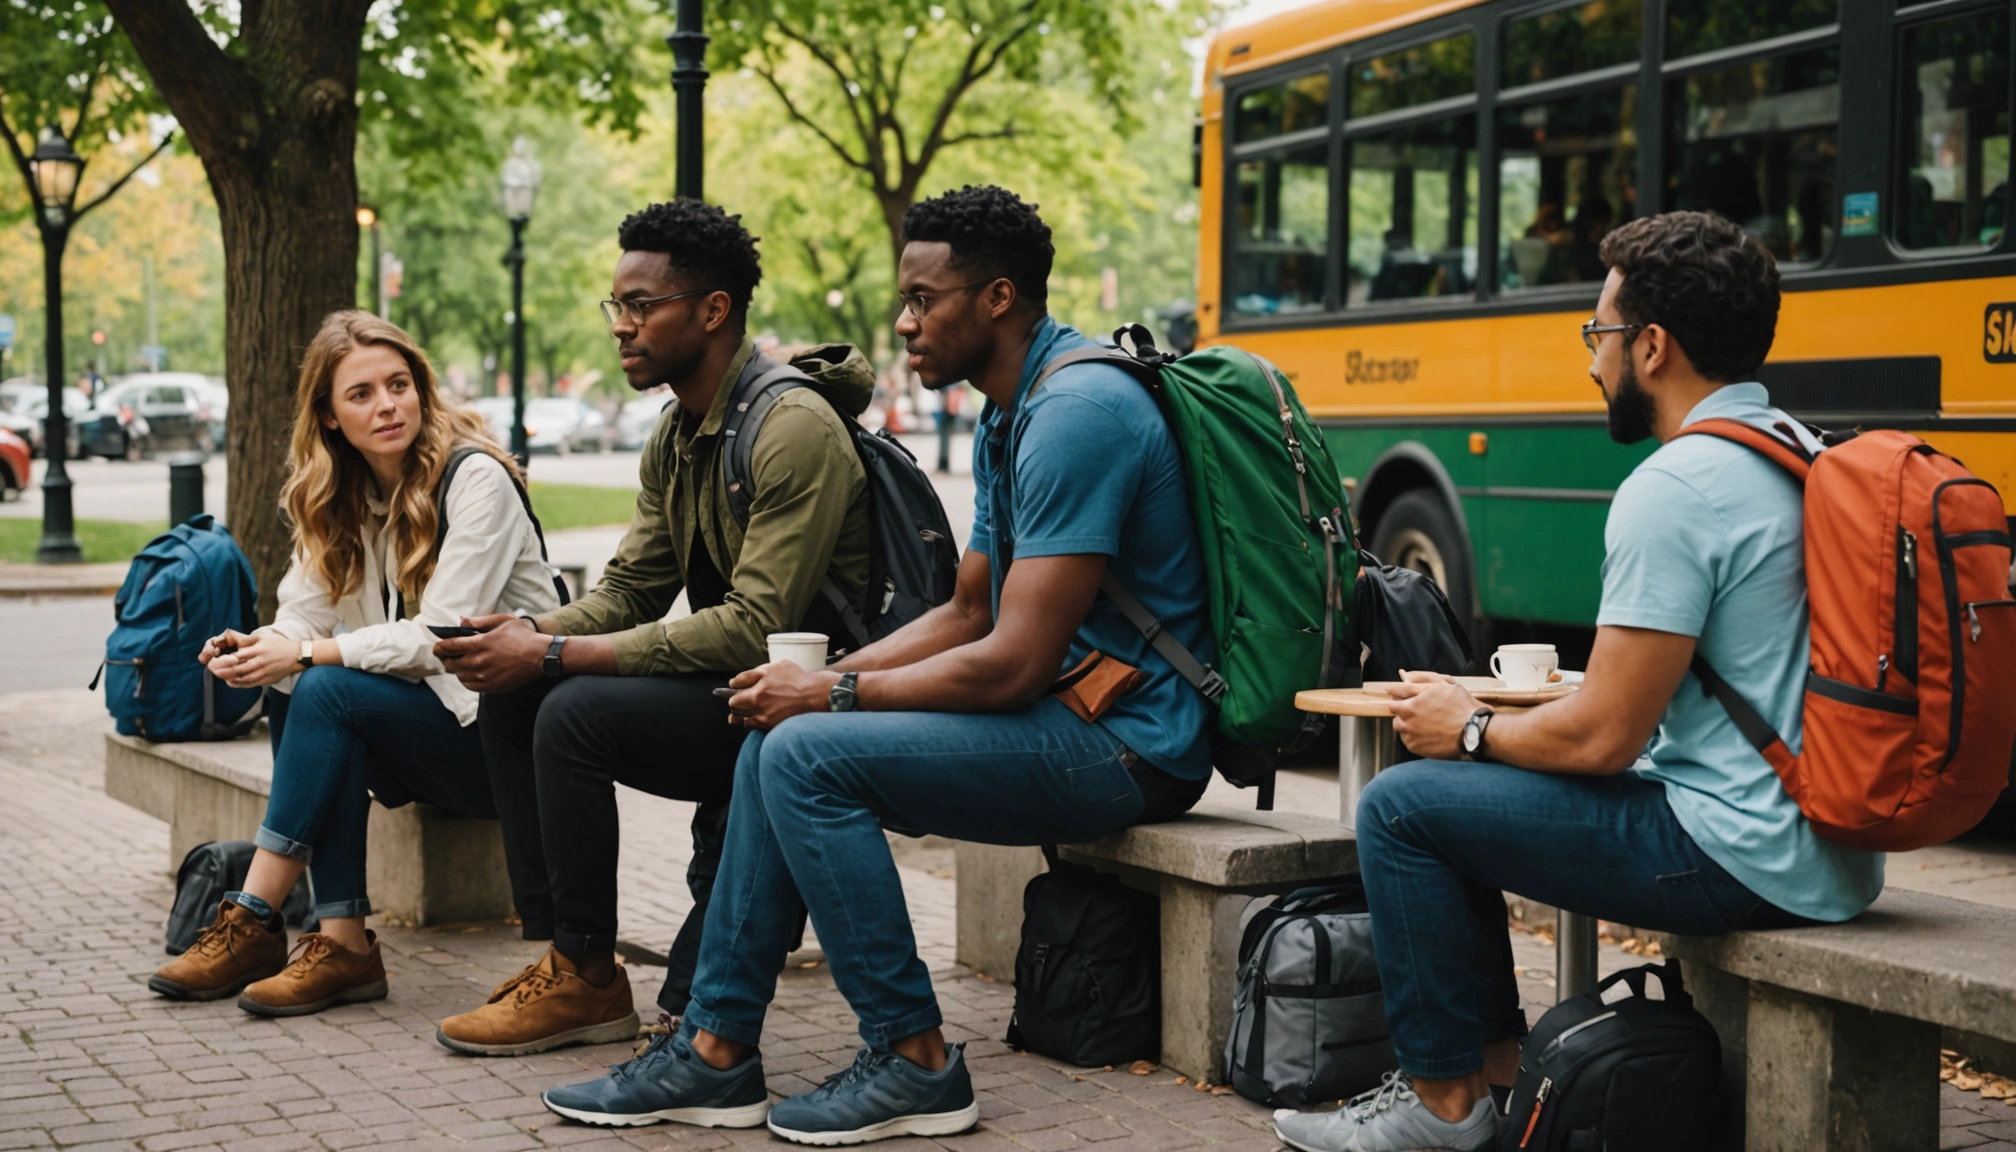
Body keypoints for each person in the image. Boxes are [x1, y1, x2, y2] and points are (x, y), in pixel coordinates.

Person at [533, 184, 1216, 1142]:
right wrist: (819, 689)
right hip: (1070, 719)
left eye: (923, 300)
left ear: (998, 298)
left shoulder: (1079, 412)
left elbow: (1012, 662)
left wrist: (836, 689)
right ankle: (716, 1053)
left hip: (1132, 741)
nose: (903, 323)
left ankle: (915, 1059)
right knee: (793, 738)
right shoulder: (1011, 411)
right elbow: (966, 610)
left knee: (809, 753)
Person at [1270, 210, 1884, 1152]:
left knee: (1403, 806)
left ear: (1651, 345)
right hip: (1830, 844)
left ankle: (1443, 1110)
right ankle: (1508, 1081)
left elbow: (1605, 742)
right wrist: (1501, 720)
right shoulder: (1802, 451)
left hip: (1740, 851)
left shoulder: (1676, 488)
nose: (1591, 361)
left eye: (1598, 336)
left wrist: (1468, 726)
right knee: (1456, 795)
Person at [426, 199, 874, 1056]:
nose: (620, 327)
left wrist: (554, 653)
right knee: (520, 692)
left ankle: (597, 976)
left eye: (641, 306)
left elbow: (754, 627)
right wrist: (522, 633)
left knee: (571, 706)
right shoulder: (677, 433)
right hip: (740, 694)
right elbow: (632, 588)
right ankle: (578, 966)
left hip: (815, 702)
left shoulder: (793, 428)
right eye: (616, 307)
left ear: (712, 311)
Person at [148, 311, 561, 1015]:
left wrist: (305, 652)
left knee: (324, 684)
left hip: (511, 744)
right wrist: (259, 650)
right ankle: (339, 941)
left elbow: (440, 637)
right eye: (362, 394)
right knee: (294, 682)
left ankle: (256, 919)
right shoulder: (338, 495)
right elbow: (302, 618)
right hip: (427, 734)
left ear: (421, 389)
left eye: (398, 384)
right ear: (331, 417)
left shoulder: (475, 480)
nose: (388, 405)